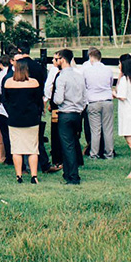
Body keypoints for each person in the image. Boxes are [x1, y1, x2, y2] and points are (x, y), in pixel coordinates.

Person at [1, 57, 44, 183]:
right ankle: (34, 176)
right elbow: (38, 102)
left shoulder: (8, 82)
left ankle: (19, 175)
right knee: (32, 149)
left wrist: (11, 111)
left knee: (16, 149)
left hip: (14, 119)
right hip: (31, 119)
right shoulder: (34, 83)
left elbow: (5, 100)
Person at [48, 49, 85, 185]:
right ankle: (68, 173)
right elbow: (85, 96)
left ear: (62, 60)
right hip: (77, 113)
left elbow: (58, 99)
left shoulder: (62, 77)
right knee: (72, 143)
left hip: (65, 113)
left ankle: (73, 176)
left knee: (67, 146)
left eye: (57, 59)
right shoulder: (79, 75)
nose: (55, 61)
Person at [81, 48, 115, 159]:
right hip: (106, 99)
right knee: (108, 129)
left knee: (95, 130)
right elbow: (110, 84)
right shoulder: (108, 70)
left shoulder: (87, 71)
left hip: (93, 100)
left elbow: (84, 86)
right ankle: (109, 153)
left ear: (91, 57)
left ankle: (94, 153)